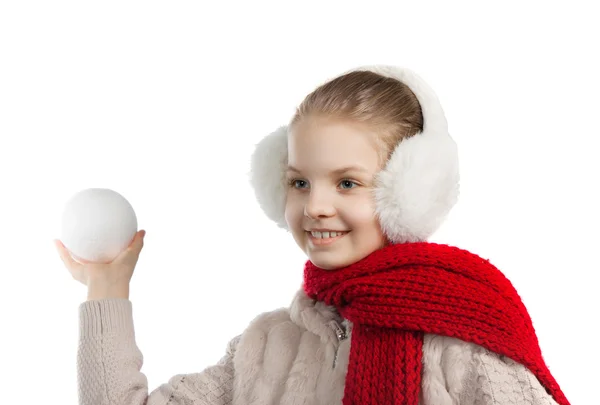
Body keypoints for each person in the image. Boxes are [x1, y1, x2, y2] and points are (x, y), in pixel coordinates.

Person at [55, 65, 571, 405]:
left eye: (348, 182)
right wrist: (106, 286)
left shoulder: (460, 344)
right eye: (299, 181)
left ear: (411, 190)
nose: (315, 205)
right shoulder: (265, 345)